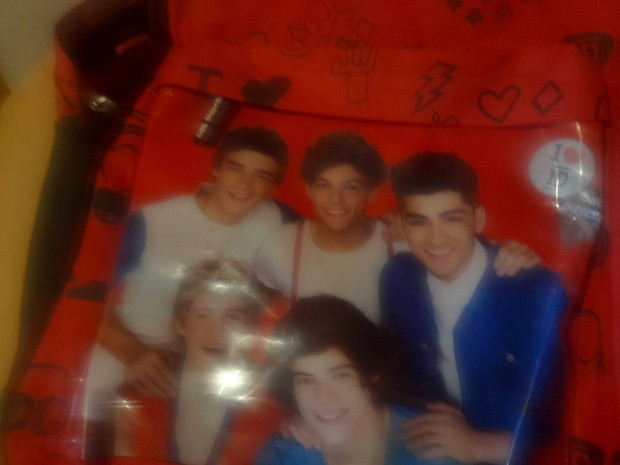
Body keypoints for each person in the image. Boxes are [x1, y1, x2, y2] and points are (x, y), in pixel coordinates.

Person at [82, 126, 290, 457]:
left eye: (261, 176)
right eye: (236, 169)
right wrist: (134, 353)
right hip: (135, 343)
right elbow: (88, 297)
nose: (245, 184)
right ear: (216, 168)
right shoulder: (153, 221)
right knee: (90, 390)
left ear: (273, 185)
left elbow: (321, 241)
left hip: (214, 351)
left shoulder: (276, 220)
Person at [380, 152, 568, 464]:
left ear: (478, 220)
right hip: (424, 446)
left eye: (451, 219)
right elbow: (394, 375)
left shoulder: (534, 291)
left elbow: (564, 420)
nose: (435, 238)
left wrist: (479, 445)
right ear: (402, 225)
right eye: (419, 222)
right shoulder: (398, 278)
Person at [254, 131, 539, 324]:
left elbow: (462, 252)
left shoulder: (403, 241)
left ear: (372, 193)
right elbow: (256, 312)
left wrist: (509, 252)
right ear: (308, 190)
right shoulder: (280, 245)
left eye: (350, 187)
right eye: (323, 186)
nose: (335, 199)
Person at [113, 259, 285, 465]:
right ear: (181, 325)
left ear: (248, 328)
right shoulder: (137, 397)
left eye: (233, 317)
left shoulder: (273, 405)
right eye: (202, 316)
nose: (216, 330)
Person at [256, 295, 462, 465]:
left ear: (373, 373)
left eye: (340, 375)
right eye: (306, 381)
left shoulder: (432, 452)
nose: (323, 398)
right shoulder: (284, 456)